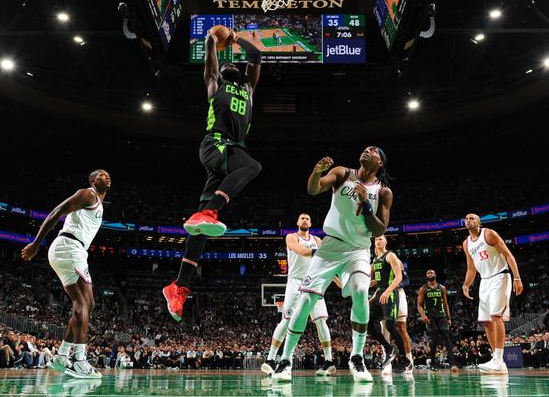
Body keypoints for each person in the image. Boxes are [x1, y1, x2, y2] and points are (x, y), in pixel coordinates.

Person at [163, 25, 262, 322]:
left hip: (232, 151)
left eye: (234, 64)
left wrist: (238, 39)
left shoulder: (248, 88)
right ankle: (212, 212)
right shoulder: (214, 82)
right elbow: (209, 47)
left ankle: (178, 285)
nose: (229, 65)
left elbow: (255, 56)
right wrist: (214, 38)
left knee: (198, 229)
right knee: (253, 166)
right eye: (226, 62)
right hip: (216, 144)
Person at [272, 147, 393, 383]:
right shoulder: (342, 173)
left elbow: (380, 229)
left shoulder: (383, 191)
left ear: (380, 162)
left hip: (358, 249)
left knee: (360, 291)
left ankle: (356, 357)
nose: (367, 150)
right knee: (306, 300)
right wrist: (317, 172)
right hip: (330, 245)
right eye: (365, 148)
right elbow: (313, 188)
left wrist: (366, 204)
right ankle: (285, 360)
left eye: (373, 150)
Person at [21, 169, 111, 379]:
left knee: (88, 304)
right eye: (101, 174)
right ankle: (79, 361)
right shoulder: (88, 194)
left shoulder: (97, 203)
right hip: (69, 247)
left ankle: (62, 356)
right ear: (92, 180)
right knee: (82, 303)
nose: (106, 176)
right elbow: (57, 211)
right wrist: (36, 244)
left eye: (108, 175)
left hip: (72, 250)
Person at [261, 213, 336, 377]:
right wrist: (324, 251)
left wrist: (339, 282)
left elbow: (326, 264)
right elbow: (301, 251)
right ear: (297, 222)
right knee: (287, 320)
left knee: (321, 321)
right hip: (295, 283)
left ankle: (329, 361)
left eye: (307, 218)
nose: (304, 220)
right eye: (302, 218)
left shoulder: (318, 240)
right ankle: (270, 359)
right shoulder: (291, 237)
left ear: (311, 223)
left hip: (314, 281)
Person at [462, 213, 523, 375]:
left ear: (479, 222)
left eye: (472, 218)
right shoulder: (466, 243)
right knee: (486, 321)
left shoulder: (489, 234)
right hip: (484, 280)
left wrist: (517, 277)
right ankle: (498, 361)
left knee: (496, 317)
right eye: (466, 219)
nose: (469, 220)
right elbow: (471, 268)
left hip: (500, 275)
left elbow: (509, 255)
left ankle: (498, 358)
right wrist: (466, 284)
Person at [368, 235, 413, 375]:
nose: (378, 241)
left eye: (381, 239)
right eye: (376, 240)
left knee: (390, 325)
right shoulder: (375, 260)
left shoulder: (391, 255)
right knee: (368, 323)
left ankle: (405, 360)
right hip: (380, 293)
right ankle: (389, 348)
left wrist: (388, 291)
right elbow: (371, 281)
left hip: (391, 293)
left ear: (385, 241)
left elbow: (399, 277)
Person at [417, 269, 454, 370]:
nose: (430, 274)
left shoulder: (442, 288)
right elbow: (419, 305)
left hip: (441, 315)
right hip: (429, 316)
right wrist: (423, 315)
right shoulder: (423, 289)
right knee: (434, 338)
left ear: (435, 275)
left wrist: (449, 318)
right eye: (428, 273)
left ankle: (453, 363)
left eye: (431, 272)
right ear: (426, 276)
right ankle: (433, 363)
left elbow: (445, 304)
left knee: (446, 335)